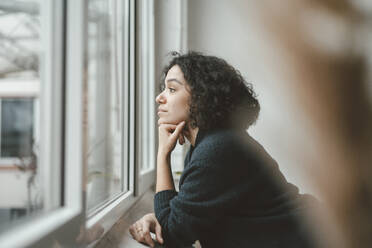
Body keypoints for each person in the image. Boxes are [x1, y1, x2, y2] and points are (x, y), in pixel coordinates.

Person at [129, 52, 317, 248]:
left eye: (172, 89)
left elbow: (173, 234)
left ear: (200, 97)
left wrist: (162, 156)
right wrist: (158, 217)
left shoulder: (216, 151)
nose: (160, 97)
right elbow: (189, 219)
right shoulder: (210, 144)